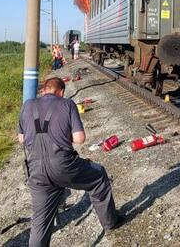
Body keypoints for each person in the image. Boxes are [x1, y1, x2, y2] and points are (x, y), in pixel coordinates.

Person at [18, 77, 122, 246]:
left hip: (35, 169)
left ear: (43, 91)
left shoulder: (27, 106)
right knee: (99, 176)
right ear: (61, 92)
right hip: (64, 165)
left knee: (40, 221)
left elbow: (21, 139)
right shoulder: (67, 104)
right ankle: (111, 222)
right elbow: (79, 138)